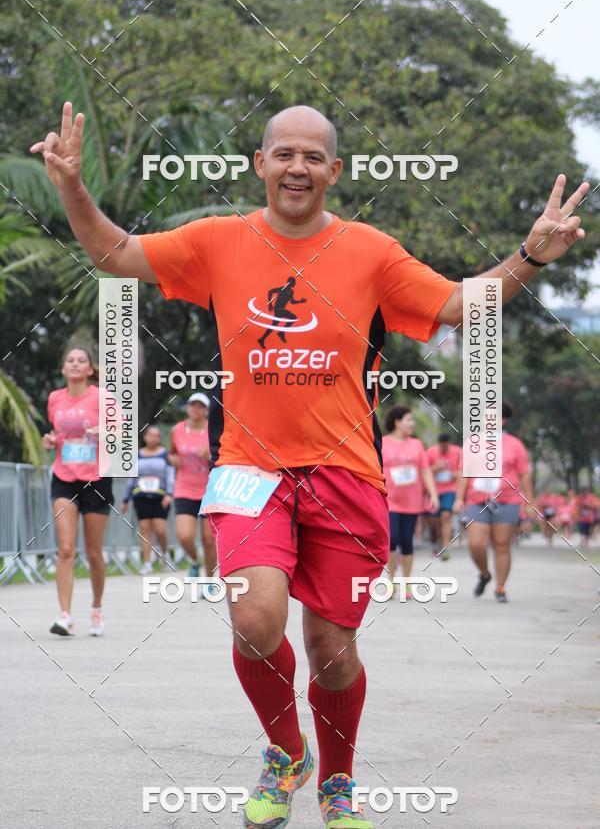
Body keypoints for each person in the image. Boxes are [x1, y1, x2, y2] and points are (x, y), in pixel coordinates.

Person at [32, 100, 588, 828]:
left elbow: (458, 305)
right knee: (254, 618)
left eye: (313, 156)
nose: (298, 167)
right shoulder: (216, 242)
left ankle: (338, 780)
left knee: (330, 645)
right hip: (248, 471)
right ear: (260, 164)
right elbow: (116, 255)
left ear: (335, 170)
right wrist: (72, 186)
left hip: (347, 477)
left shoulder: (372, 251)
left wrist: (532, 254)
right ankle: (284, 751)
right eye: (283, 153)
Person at [43, 347, 113, 637]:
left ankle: (96, 608)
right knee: (66, 548)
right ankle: (65, 616)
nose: (74, 364)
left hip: (96, 480)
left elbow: (123, 429)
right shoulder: (54, 399)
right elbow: (58, 433)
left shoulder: (102, 397)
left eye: (80, 361)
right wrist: (50, 440)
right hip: (64, 477)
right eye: (69, 360)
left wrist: (106, 432)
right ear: (63, 369)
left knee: (94, 553)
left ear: (89, 369)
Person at [454, 403, 535, 603]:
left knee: (501, 545)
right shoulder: (472, 442)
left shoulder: (514, 444)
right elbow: (463, 472)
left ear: (502, 421)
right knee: (476, 544)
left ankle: (500, 587)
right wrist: (458, 498)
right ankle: (484, 574)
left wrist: (529, 503)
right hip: (477, 500)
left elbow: (524, 476)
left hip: (507, 500)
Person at [382, 406, 438, 598]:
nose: (412, 423)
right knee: (392, 540)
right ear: (397, 422)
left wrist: (433, 494)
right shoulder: (383, 443)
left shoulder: (416, 445)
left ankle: (405, 583)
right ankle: (390, 582)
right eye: (408, 419)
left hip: (412, 502)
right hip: (390, 501)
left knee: (407, 541)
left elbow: (425, 470)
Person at [169, 393, 217, 594]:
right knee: (184, 536)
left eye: (200, 406)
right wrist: (173, 460)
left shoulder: (213, 430)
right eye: (192, 405)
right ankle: (195, 561)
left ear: (206, 410)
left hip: (209, 489)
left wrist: (211, 456)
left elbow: (224, 454)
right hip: (184, 488)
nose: (196, 409)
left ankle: (209, 581)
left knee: (208, 539)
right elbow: (171, 452)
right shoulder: (177, 430)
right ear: (187, 408)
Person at [121, 426, 174, 574]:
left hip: (160, 496)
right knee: (144, 528)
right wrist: (126, 498)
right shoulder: (137, 455)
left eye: (157, 436)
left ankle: (165, 555)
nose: (153, 438)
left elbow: (170, 475)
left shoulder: (165, 455)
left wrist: (169, 494)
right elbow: (132, 478)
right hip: (141, 495)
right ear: (145, 437)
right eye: (150, 435)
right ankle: (147, 563)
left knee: (160, 528)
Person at [426, 433, 462, 560]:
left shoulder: (457, 452)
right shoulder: (430, 452)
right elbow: (424, 470)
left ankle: (446, 547)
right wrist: (435, 468)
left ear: (449, 444)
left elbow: (462, 470)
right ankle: (437, 542)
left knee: (446, 516)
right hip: (434, 491)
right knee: (435, 521)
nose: (444, 449)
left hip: (450, 489)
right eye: (442, 447)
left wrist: (455, 474)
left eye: (446, 447)